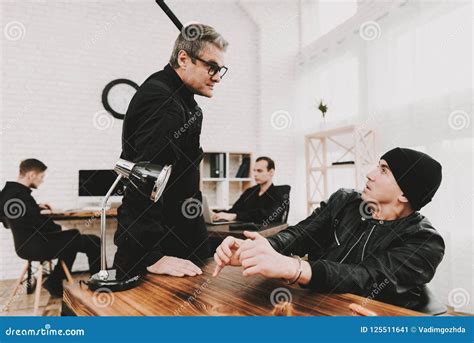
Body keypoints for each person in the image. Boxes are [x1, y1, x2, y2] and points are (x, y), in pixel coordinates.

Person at [213, 147, 445, 309]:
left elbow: (366, 278)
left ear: (405, 193)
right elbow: (302, 233)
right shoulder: (345, 201)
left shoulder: (424, 241)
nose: (370, 173)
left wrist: (296, 269)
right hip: (311, 304)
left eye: (384, 170)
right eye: (377, 166)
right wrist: (262, 246)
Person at [113, 24, 229, 280]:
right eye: (212, 67)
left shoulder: (185, 103)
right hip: (162, 248)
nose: (218, 77)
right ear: (184, 58)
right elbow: (146, 180)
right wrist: (150, 255)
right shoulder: (163, 100)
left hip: (183, 238)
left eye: (220, 69)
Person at [0, 159, 100, 297]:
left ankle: (55, 281)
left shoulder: (7, 193)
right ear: (31, 175)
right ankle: (95, 283)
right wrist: (59, 228)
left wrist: (36, 207)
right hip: (37, 247)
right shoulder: (21, 196)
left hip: (24, 246)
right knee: (84, 238)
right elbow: (36, 223)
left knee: (72, 240)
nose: (42, 181)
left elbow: (13, 220)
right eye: (41, 177)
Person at [212, 156, 289, 225]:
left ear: (271, 172)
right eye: (254, 170)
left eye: (259, 171)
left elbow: (269, 215)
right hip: (245, 231)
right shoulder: (250, 191)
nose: (255, 174)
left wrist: (236, 216)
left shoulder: (279, 193)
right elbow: (234, 210)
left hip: (267, 235)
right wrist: (216, 213)